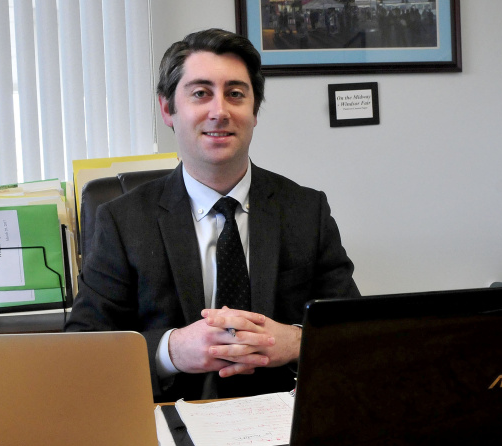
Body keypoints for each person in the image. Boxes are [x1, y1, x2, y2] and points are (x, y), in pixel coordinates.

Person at [65, 28, 359, 401]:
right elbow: (82, 347)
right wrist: (170, 351)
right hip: (170, 427)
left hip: (284, 426)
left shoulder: (306, 210)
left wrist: (296, 341)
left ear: (253, 112)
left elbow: (353, 330)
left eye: (235, 94)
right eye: (201, 93)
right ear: (168, 109)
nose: (219, 111)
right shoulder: (122, 221)